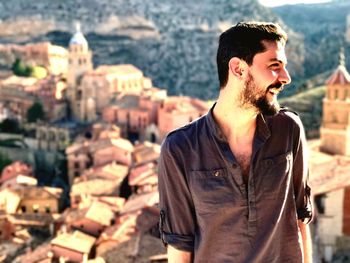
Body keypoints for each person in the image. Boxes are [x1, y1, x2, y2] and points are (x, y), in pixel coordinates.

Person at [158, 22, 313, 262]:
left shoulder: (289, 129)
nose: (286, 78)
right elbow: (180, 247)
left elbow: (300, 219)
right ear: (238, 69)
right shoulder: (180, 149)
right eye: (274, 66)